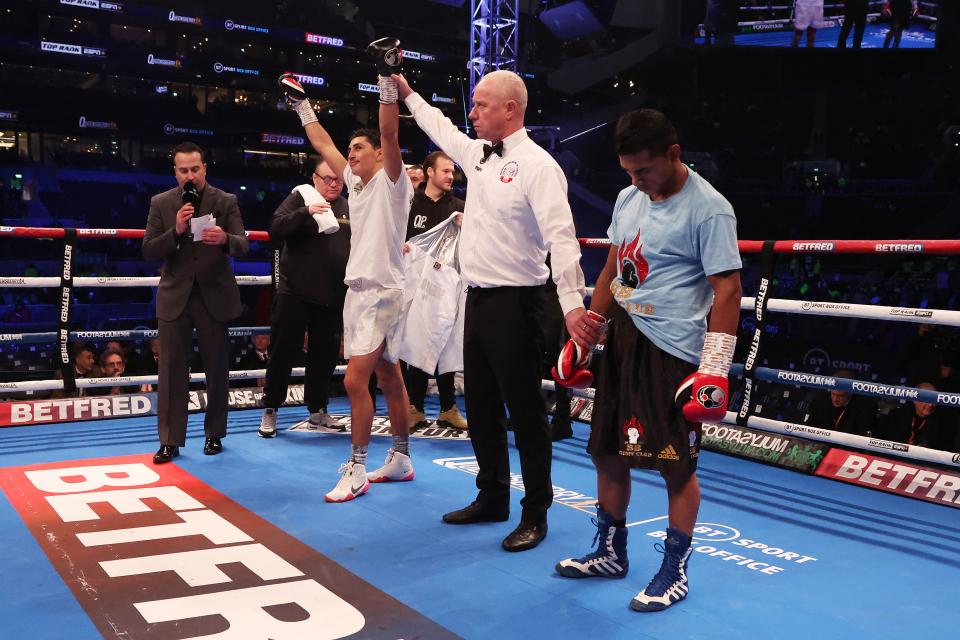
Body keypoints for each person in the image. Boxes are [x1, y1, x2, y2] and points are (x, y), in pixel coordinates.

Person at [395, 69, 594, 552]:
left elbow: (561, 240)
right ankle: (492, 497)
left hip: (520, 302)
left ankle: (536, 512)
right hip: (477, 298)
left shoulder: (539, 166)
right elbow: (438, 126)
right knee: (480, 407)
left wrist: (572, 306)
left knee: (525, 413)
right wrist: (404, 91)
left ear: (511, 109)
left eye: (482, 105)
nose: (472, 112)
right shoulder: (477, 155)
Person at [553, 109, 743, 612]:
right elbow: (613, 267)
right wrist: (586, 336)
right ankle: (610, 552)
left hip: (674, 349)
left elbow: (727, 287)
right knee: (606, 450)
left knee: (675, 466)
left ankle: (674, 570)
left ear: (674, 154)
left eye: (646, 171)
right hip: (623, 338)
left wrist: (715, 367)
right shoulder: (628, 197)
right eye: (629, 172)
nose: (637, 181)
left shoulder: (710, 209)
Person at [279, 40, 413, 503]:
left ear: (377, 154)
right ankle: (400, 457)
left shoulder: (393, 182)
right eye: (350, 149)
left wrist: (385, 79)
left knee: (355, 381)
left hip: (382, 291)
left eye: (359, 148)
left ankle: (356, 467)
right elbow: (321, 141)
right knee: (389, 378)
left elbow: (389, 133)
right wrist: (301, 105)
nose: (350, 155)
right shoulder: (355, 184)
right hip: (362, 291)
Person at [143, 141, 249, 463]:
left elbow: (243, 244)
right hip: (176, 296)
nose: (190, 176)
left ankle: (214, 433)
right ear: (175, 172)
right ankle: (170, 440)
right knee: (172, 370)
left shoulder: (225, 201)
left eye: (195, 169)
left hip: (213, 296)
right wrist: (175, 231)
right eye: (183, 170)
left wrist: (226, 240)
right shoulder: (161, 203)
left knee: (217, 369)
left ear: (205, 168)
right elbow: (149, 250)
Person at [257, 159, 351, 438]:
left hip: (333, 294)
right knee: (283, 352)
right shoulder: (300, 196)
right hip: (294, 293)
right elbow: (275, 228)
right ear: (315, 178)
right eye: (327, 179)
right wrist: (305, 212)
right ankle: (271, 408)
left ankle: (318, 411)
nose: (333, 184)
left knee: (324, 356)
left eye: (338, 180)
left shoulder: (349, 205)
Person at [403, 151, 468, 432]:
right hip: (416, 286)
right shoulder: (408, 203)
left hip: (447, 285)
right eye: (445, 171)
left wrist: (469, 227)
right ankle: (414, 408)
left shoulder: (461, 208)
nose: (450, 176)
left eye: (452, 171)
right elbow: (396, 236)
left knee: (446, 343)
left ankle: (447, 408)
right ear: (429, 172)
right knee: (417, 340)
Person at [879, 382, 957, 450]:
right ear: (915, 400)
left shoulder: (942, 422)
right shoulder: (897, 415)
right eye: (927, 400)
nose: (930, 405)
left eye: (933, 401)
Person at [806, 369, 877, 435]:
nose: (835, 399)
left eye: (840, 396)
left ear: (851, 392)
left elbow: (863, 437)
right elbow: (808, 427)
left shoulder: (865, 407)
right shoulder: (820, 399)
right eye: (833, 394)